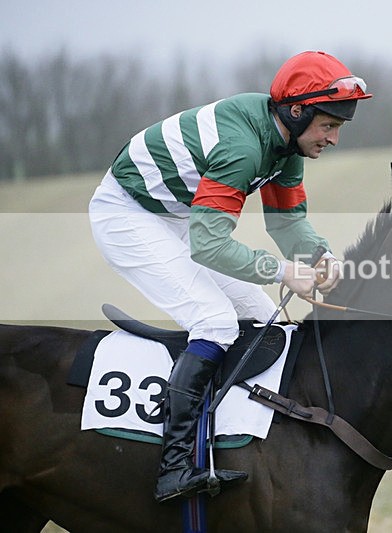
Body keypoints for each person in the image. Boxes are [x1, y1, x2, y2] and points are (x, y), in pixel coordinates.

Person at [88, 50, 372, 502]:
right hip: (128, 216)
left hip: (177, 217)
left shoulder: (286, 140)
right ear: (297, 111)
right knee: (215, 321)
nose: (334, 138)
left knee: (268, 322)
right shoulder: (243, 148)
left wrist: (319, 256)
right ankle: (174, 467)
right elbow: (209, 245)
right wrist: (282, 271)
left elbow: (285, 223)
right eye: (329, 126)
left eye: (338, 128)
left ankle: (238, 443)